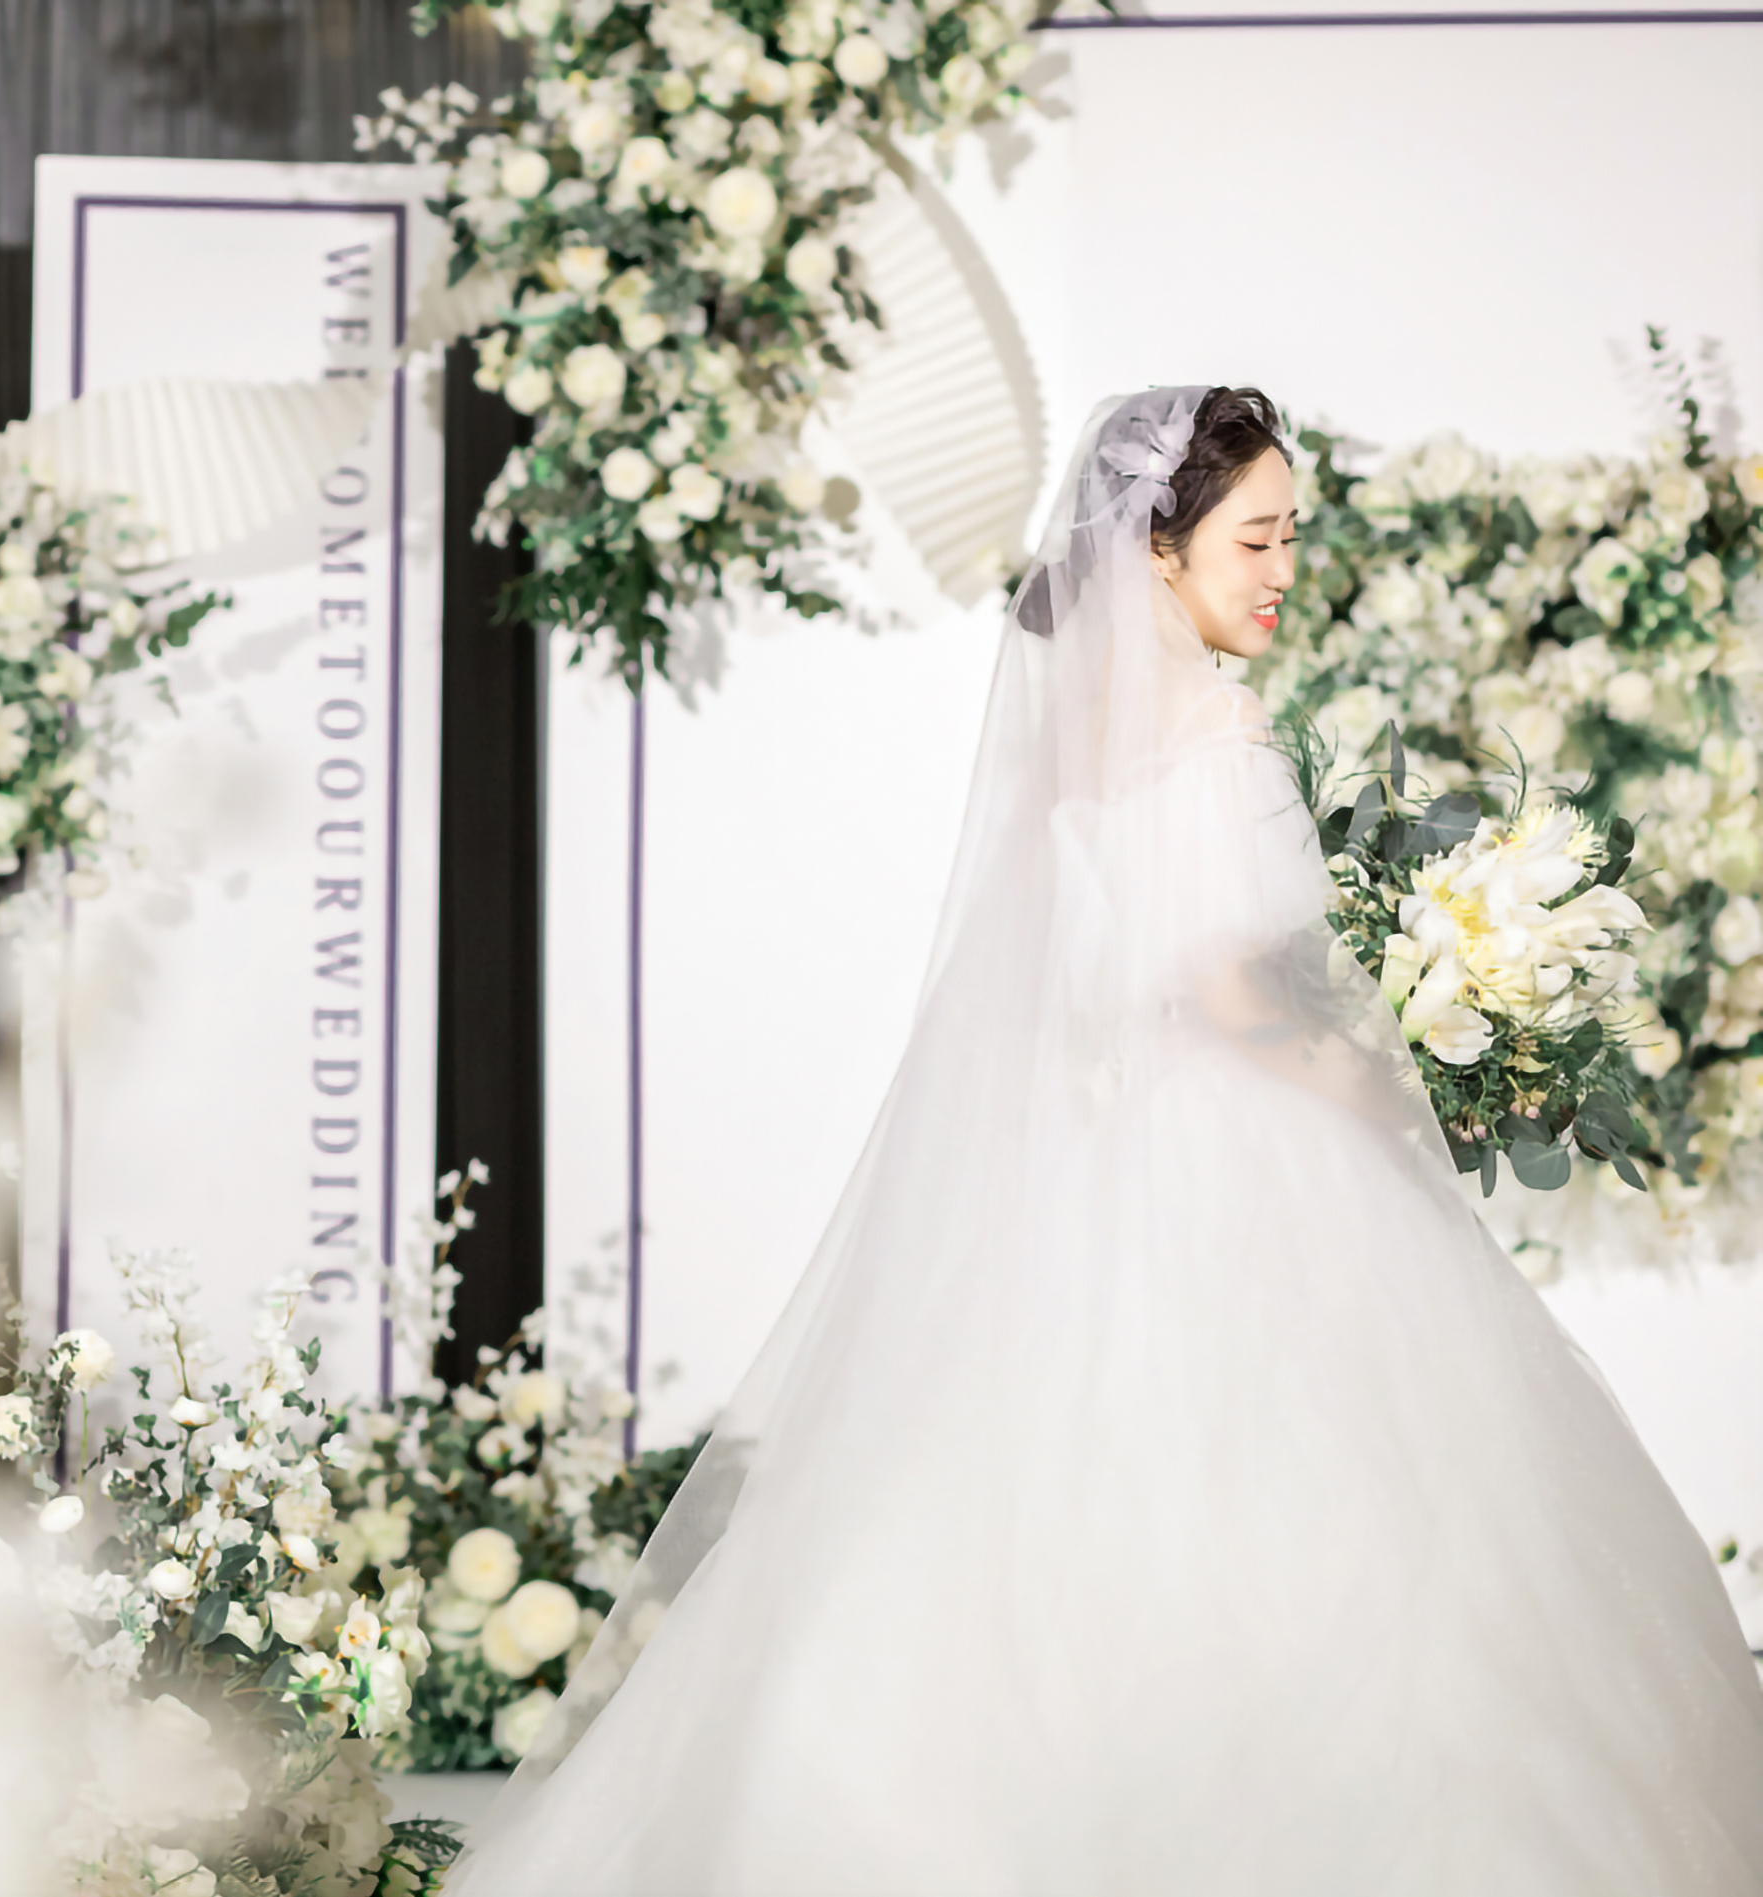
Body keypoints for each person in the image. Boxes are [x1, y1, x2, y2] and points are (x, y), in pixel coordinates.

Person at [446, 387, 1763, 1894]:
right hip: (1245, 1166)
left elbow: (1098, 977)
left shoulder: (1071, 743)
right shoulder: (1220, 731)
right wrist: (1390, 1082)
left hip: (1094, 1157)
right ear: (1156, 548)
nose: (1282, 570)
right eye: (1256, 539)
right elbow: (1223, 990)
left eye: (1290, 537)